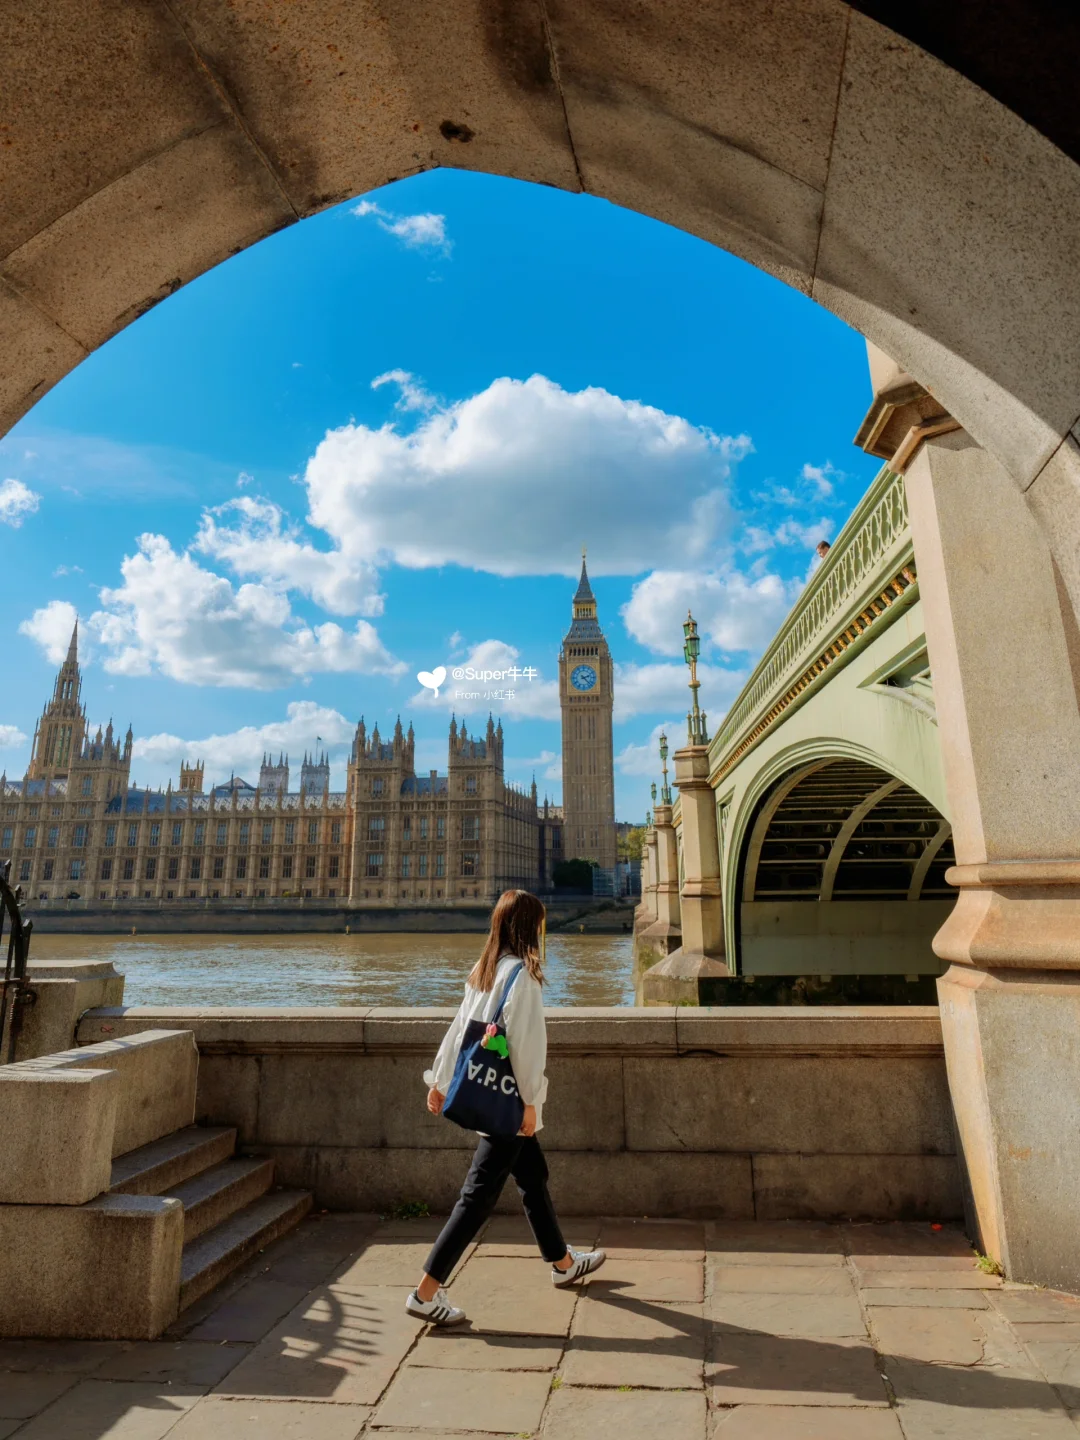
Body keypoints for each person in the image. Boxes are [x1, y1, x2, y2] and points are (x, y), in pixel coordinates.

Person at [406, 888, 606, 1325]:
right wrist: (530, 1104)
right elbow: (527, 1048)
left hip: (481, 1089)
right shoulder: (526, 977)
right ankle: (426, 1292)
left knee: (533, 1178)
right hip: (507, 1103)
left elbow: (460, 1030)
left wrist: (438, 1079)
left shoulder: (483, 970)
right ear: (531, 928)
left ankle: (562, 1264)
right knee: (477, 1197)